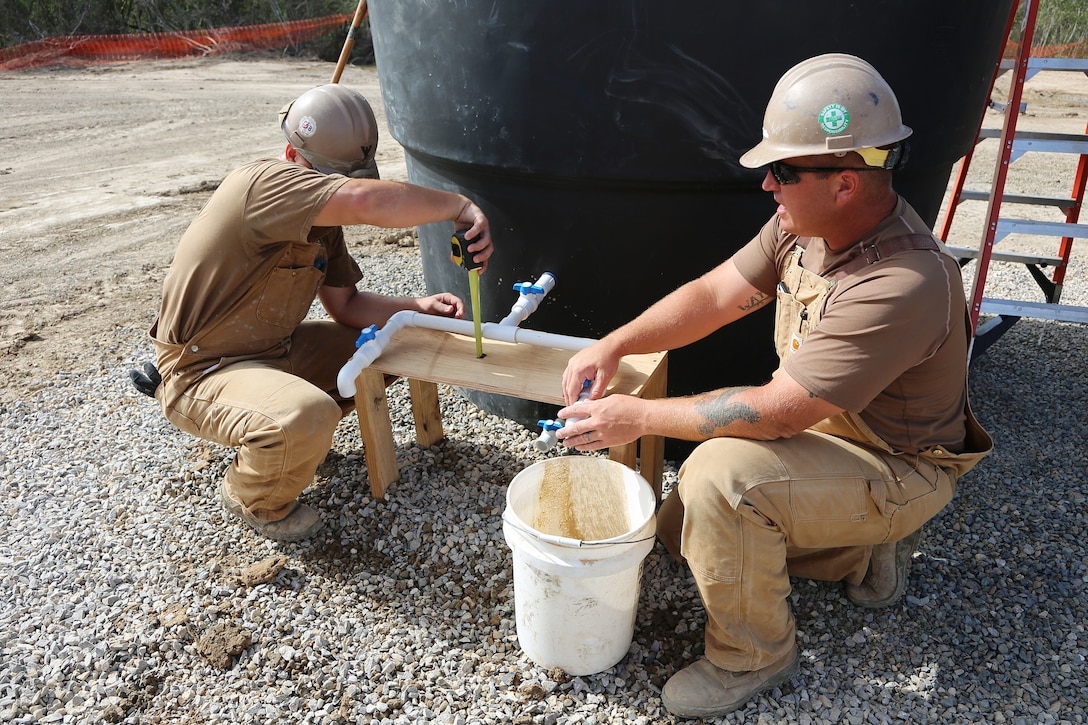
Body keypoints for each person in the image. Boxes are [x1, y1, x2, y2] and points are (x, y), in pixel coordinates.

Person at [555, 54, 992, 719]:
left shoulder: (902, 281)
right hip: (836, 430)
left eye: (784, 171)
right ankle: (858, 553)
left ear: (846, 183)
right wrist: (616, 343)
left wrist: (638, 416)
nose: (767, 185)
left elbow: (779, 412)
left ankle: (753, 654)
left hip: (897, 462)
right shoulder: (805, 227)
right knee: (680, 535)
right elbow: (716, 294)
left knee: (719, 482)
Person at [141, 83, 493, 542]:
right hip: (201, 368)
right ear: (291, 154)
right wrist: (460, 207)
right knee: (302, 417)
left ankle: (289, 435)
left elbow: (346, 305)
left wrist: (415, 308)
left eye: (343, 180)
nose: (334, 191)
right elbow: (368, 201)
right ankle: (254, 494)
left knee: (386, 347)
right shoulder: (262, 185)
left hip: (271, 351)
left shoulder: (319, 222)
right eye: (330, 178)